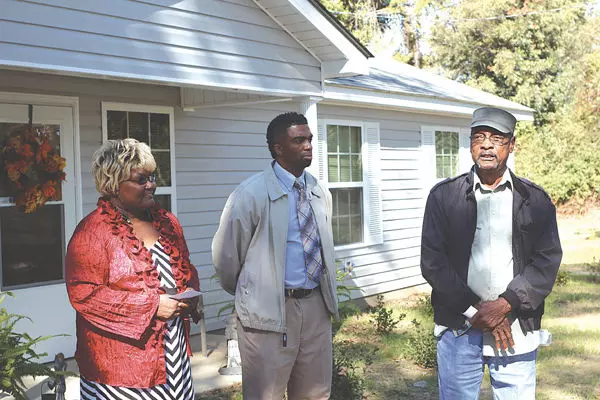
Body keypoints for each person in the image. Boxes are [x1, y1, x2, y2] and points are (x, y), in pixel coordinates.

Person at [420, 107, 562, 399]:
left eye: (496, 138)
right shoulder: (444, 196)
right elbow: (434, 262)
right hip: (459, 327)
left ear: (512, 145)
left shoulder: (535, 200)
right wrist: (476, 311)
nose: (486, 145)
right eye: (479, 137)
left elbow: (545, 262)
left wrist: (505, 304)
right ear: (470, 143)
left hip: (515, 329)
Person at [212, 112, 338, 400]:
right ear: (278, 148)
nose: (308, 146)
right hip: (268, 313)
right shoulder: (250, 194)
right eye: (299, 140)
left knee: (315, 394)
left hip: (315, 306)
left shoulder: (318, 191)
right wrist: (253, 293)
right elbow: (226, 259)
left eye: (309, 139)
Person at [66, 138, 200, 400]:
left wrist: (189, 293)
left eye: (152, 177)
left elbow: (185, 267)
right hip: (121, 370)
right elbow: (85, 295)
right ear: (114, 185)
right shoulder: (92, 232)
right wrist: (152, 306)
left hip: (174, 354)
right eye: (141, 179)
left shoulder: (167, 222)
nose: (151, 185)